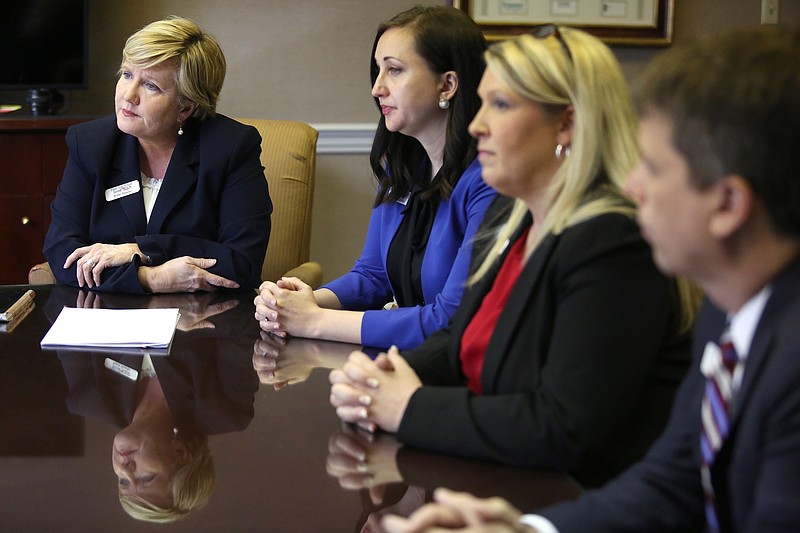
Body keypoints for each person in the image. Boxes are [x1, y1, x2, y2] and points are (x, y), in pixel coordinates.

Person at [380, 25, 800, 533]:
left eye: (655, 168)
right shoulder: (728, 313)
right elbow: (672, 482)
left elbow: (565, 427)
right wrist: (527, 531)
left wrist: (412, 407)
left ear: (728, 205)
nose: (633, 185)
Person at [329, 25, 700, 488]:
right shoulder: (517, 218)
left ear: (565, 124)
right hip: (505, 481)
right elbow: (461, 340)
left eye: (500, 105)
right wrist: (389, 374)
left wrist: (407, 406)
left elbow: (563, 425)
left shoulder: (612, 240)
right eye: (481, 103)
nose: (477, 124)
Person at [253, 6, 496, 349]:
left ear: (448, 85)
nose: (377, 88)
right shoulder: (402, 171)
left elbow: (450, 320)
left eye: (394, 70)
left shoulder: (488, 181)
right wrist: (300, 301)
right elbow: (373, 276)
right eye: (378, 70)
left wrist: (315, 320)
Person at [43, 16, 272, 294]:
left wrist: (143, 250)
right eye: (127, 74)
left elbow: (242, 263)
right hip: (107, 321)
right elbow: (63, 254)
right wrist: (150, 278)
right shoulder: (91, 143)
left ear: (186, 107)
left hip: (204, 324)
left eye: (151, 86)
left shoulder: (230, 147)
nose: (128, 95)